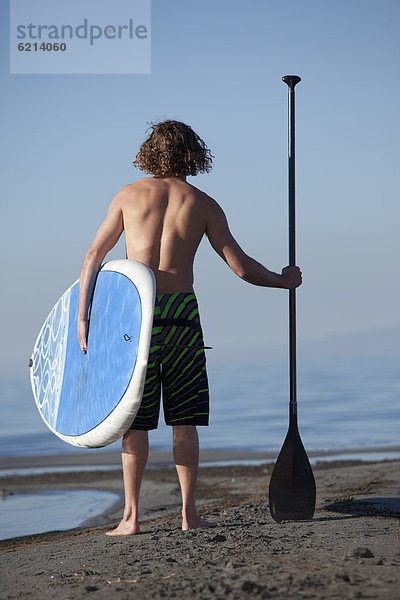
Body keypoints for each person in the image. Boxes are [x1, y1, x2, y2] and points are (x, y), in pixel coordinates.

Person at [77, 120, 302, 535]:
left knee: (134, 420)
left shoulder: (128, 196)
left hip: (134, 317)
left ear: (150, 151)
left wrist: (83, 316)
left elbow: (94, 254)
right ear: (194, 153)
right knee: (185, 418)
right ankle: (188, 515)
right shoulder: (203, 203)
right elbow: (241, 268)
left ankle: (130, 518)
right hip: (181, 317)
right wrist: (282, 280)